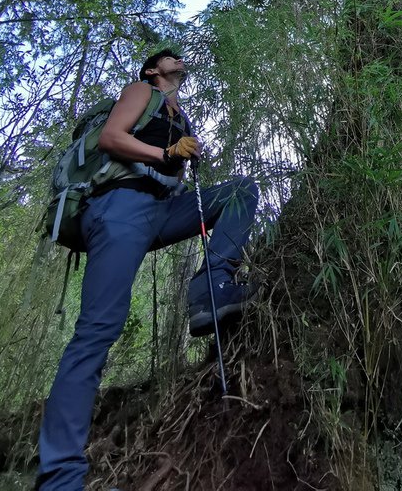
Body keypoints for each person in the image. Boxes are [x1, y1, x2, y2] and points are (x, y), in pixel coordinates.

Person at [36, 49, 259, 491]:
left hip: (161, 209)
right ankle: (59, 477)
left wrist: (182, 157)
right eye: (171, 58)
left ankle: (210, 286)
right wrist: (166, 151)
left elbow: (171, 171)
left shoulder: (180, 113)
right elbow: (112, 139)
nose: (181, 61)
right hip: (120, 207)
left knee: (239, 192)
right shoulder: (142, 91)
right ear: (154, 70)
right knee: (98, 328)